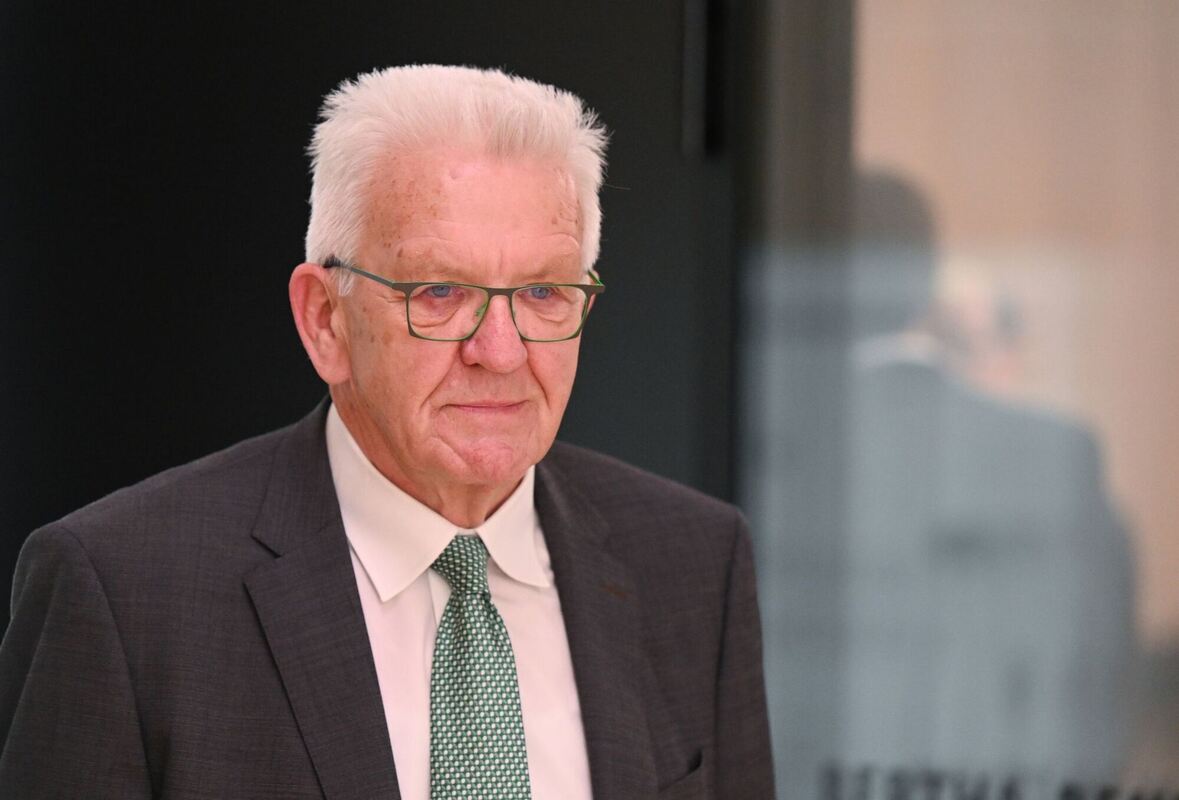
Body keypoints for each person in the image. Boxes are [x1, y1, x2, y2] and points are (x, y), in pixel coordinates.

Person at [0, 65, 773, 799]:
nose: (500, 352)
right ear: (324, 320)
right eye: (439, 292)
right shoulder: (123, 592)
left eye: (543, 293)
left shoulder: (693, 563)